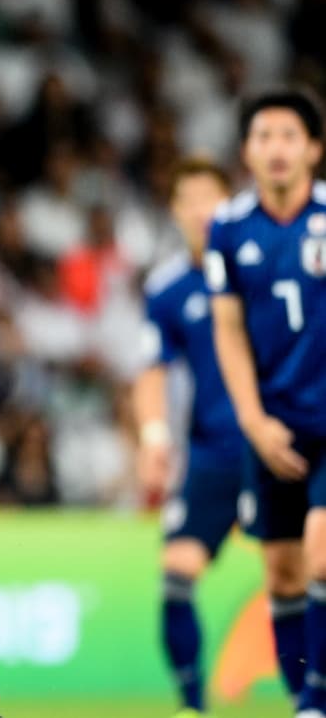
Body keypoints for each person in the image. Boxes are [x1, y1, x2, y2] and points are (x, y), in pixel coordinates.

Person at [207, 87, 326, 717]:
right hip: (273, 425)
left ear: (313, 148)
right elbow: (228, 330)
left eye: (289, 135)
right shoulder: (227, 228)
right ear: (247, 151)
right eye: (264, 136)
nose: (277, 148)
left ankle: (317, 702)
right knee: (283, 573)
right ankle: (303, 700)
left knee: (322, 555)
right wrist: (253, 421)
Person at [132, 157, 260, 717]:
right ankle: (192, 706)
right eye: (189, 200)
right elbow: (151, 370)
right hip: (212, 456)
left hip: (278, 449)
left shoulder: (263, 267)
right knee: (177, 577)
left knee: (304, 570)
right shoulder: (168, 288)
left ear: (230, 206)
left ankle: (312, 697)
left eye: (211, 198)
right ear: (175, 211)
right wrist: (153, 436)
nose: (200, 211)